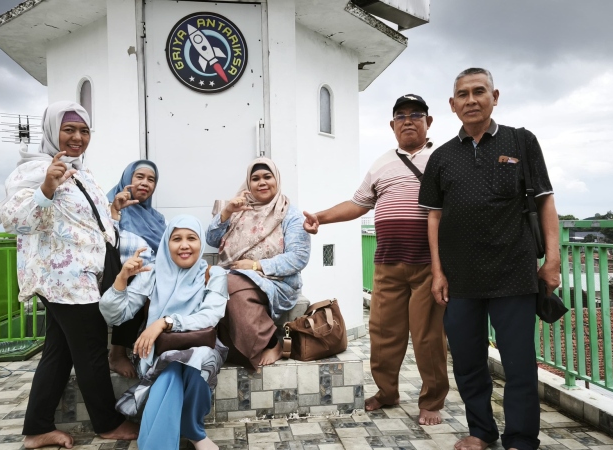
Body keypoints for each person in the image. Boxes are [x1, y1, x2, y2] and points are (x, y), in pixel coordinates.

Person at [418, 68, 560, 450]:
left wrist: (552, 260)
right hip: (460, 278)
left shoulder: (521, 141)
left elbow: (545, 200)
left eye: (479, 91)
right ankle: (481, 431)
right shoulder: (441, 157)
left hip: (514, 272)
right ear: (452, 105)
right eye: (462, 94)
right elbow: (433, 217)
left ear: (494, 97)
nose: (471, 100)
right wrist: (437, 272)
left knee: (518, 364)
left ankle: (521, 439)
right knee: (467, 362)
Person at [0, 101, 138, 448]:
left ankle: (37, 428)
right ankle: (107, 422)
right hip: (65, 280)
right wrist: (46, 189)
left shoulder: (80, 171)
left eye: (84, 130)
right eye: (69, 129)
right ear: (53, 131)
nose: (77, 137)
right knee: (92, 350)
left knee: (59, 351)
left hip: (80, 277)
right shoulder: (34, 170)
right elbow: (15, 220)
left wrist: (113, 211)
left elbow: (85, 222)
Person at [302, 94, 449, 425]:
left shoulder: (442, 159)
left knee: (427, 336)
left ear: (428, 122)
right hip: (387, 263)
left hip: (428, 265)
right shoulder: (381, 164)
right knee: (383, 332)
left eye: (416, 114)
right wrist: (320, 217)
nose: (408, 120)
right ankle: (387, 392)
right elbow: (358, 204)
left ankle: (432, 400)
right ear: (392, 125)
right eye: (401, 116)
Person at [99, 215, 227, 450]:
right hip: (155, 350)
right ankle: (193, 433)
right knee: (172, 364)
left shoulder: (214, 274)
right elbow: (115, 316)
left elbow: (211, 315)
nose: (184, 245)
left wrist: (165, 322)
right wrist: (122, 279)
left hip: (200, 346)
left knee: (197, 359)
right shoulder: (152, 273)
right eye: (176, 239)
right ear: (167, 243)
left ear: (200, 243)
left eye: (191, 238)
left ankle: (184, 433)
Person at [206, 158, 311, 370]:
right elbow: (212, 239)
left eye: (267, 177)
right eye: (255, 179)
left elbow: (298, 257)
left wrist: (255, 266)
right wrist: (227, 212)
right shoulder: (240, 209)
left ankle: (271, 343)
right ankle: (230, 347)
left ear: (276, 180)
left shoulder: (289, 214)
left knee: (228, 284)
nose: (261, 182)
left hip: (276, 281)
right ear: (248, 183)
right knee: (211, 279)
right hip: (237, 275)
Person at [106, 160, 167, 378]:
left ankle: (154, 346)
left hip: (151, 270)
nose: (145, 183)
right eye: (139, 177)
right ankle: (116, 353)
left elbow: (165, 248)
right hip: (118, 271)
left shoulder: (157, 218)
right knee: (138, 280)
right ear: (127, 179)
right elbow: (105, 241)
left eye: (151, 179)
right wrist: (115, 211)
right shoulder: (109, 205)